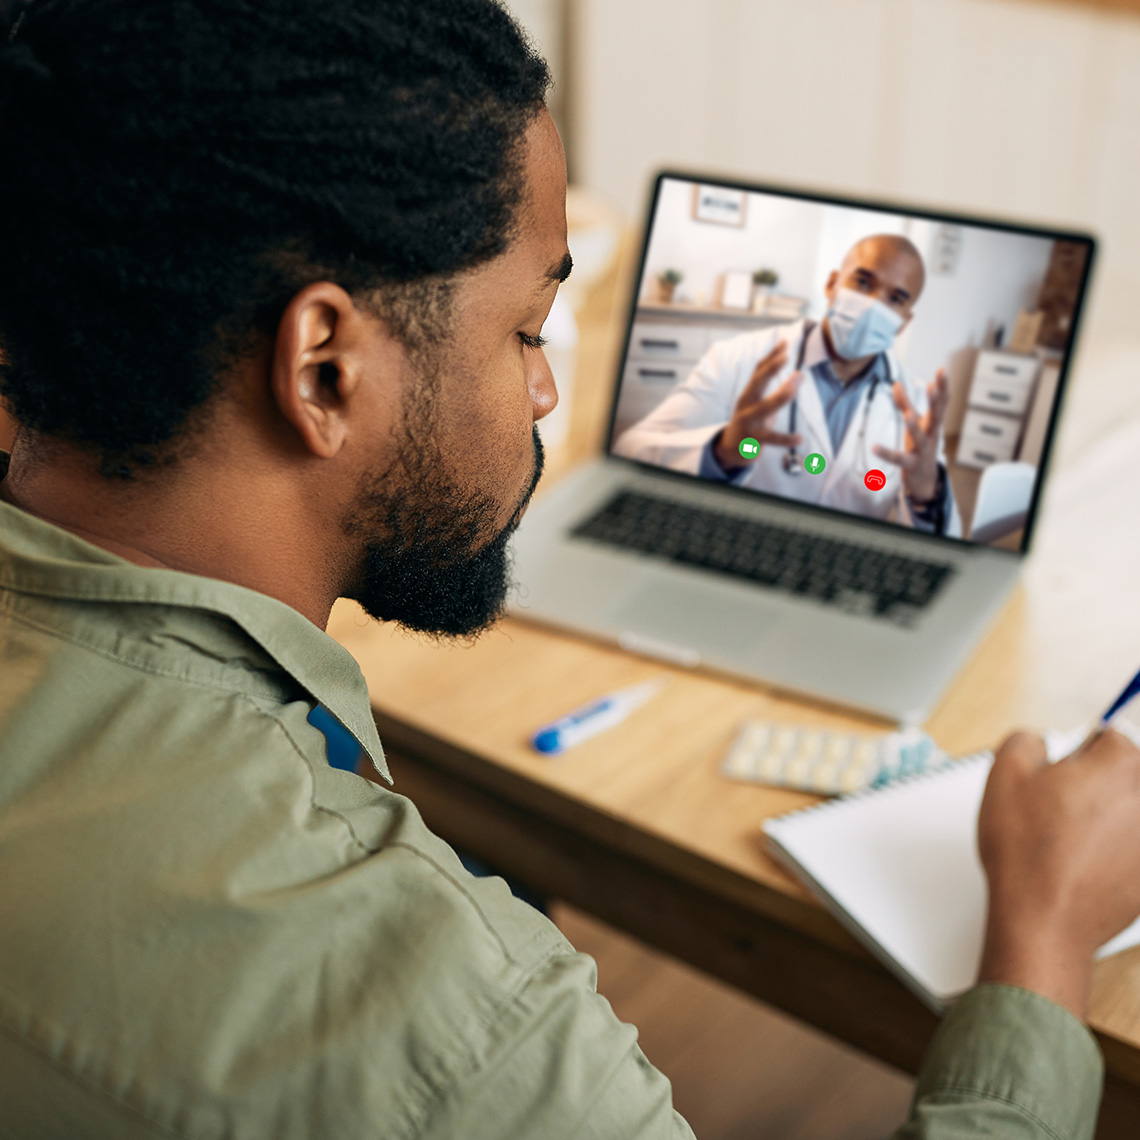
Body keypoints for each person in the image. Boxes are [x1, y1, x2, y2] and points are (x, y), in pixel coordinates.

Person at [0, 2, 1139, 1137]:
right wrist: (1042, 932)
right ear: (326, 368)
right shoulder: (466, 1037)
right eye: (531, 330)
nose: (547, 394)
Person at [614, 235, 963, 536]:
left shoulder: (916, 406)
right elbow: (631, 449)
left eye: (895, 299)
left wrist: (926, 496)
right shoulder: (740, 358)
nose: (874, 305)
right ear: (831, 285)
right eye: (863, 283)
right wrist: (720, 452)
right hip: (737, 539)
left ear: (904, 322)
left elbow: (945, 540)